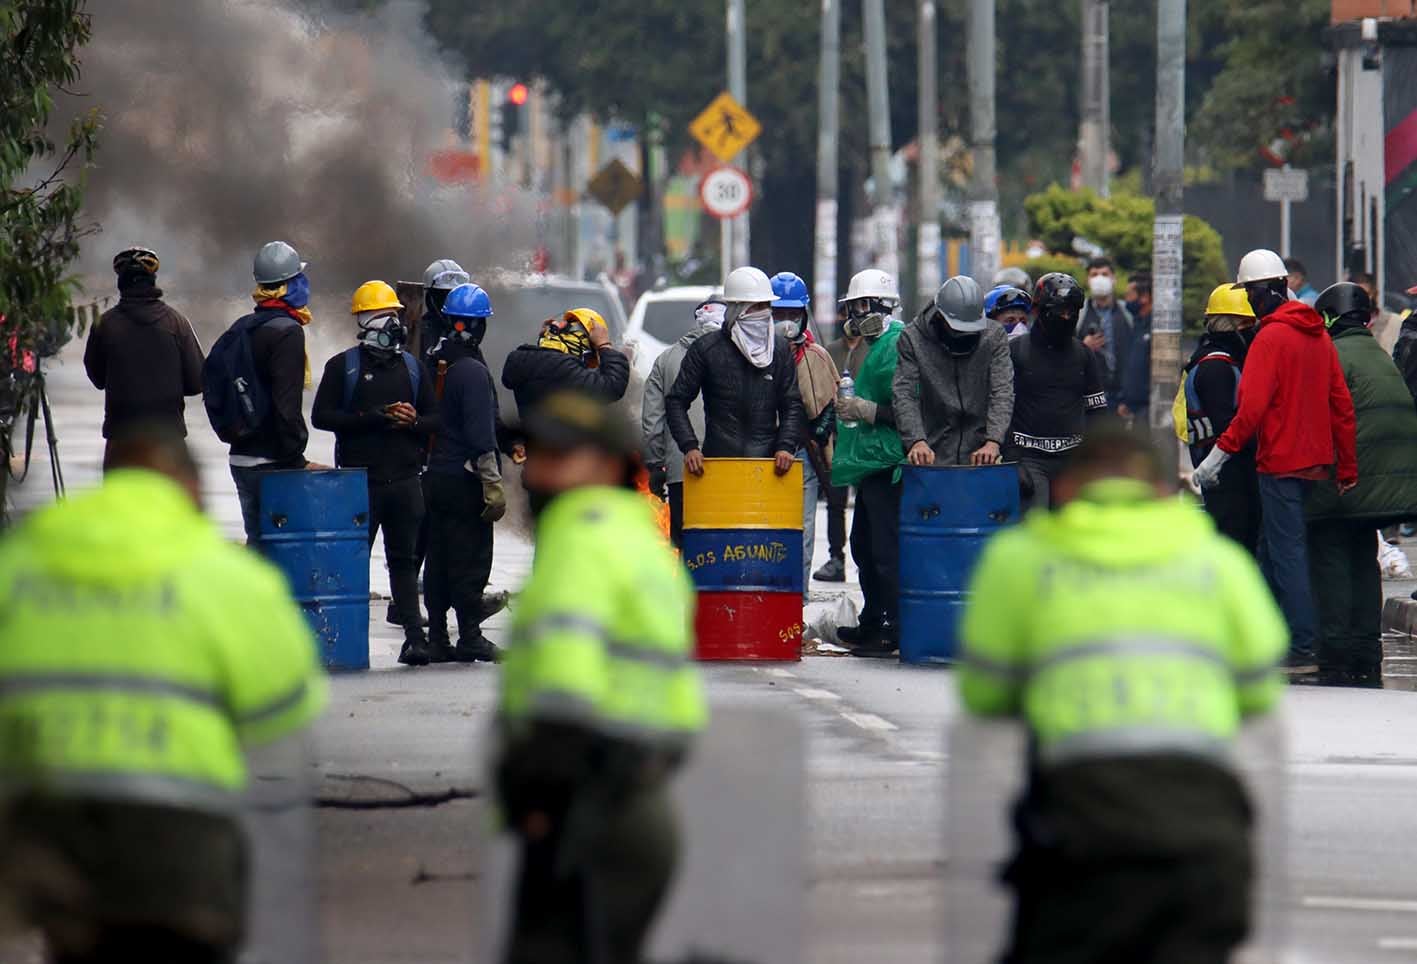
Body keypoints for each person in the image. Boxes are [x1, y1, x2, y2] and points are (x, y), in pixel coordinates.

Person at [958, 425, 1286, 964]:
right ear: (1164, 492)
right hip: (1209, 839)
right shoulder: (1219, 563)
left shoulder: (1021, 559)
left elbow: (984, 692)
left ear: (1064, 492)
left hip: (1080, 835)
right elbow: (1258, 693)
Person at [0, 423, 326, 964]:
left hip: (48, 827)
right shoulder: (227, 576)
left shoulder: (21, 563)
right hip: (179, 830)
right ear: (190, 491)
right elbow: (285, 707)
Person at [495, 390, 706, 964]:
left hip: (587, 799)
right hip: (638, 795)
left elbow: (566, 686)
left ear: (609, 465)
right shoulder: (634, 538)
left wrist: (538, 791)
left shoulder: (581, 540)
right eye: (533, 454)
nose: (538, 471)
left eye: (561, 456)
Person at [1193, 248, 1358, 677]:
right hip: (1315, 462)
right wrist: (1347, 467)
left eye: (1249, 293)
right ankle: (1262, 637)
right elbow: (1340, 403)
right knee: (1271, 552)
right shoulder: (1318, 335)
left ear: (1264, 291)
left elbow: (1249, 411)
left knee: (1286, 554)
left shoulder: (1270, 338)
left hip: (1279, 462)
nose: (1248, 301)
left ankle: (1301, 647)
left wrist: (1216, 456)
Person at [312, 280, 438, 667]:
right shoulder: (343, 367)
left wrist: (413, 421)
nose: (394, 324)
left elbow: (436, 419)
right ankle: (343, 640)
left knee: (403, 563)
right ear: (366, 321)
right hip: (358, 484)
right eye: (386, 316)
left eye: (396, 316)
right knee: (351, 564)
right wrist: (372, 418)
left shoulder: (413, 368)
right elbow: (322, 417)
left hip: (404, 481)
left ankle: (415, 640)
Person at [1306, 282, 1417, 687]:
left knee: (1332, 556)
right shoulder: (1378, 354)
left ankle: (1337, 650)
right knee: (1363, 558)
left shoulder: (1331, 355)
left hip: (1350, 481)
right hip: (1388, 485)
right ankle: (1368, 647)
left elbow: (1320, 421)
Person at [210, 240, 319, 545]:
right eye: (299, 278)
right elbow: (287, 406)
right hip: (273, 464)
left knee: (257, 542)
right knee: (282, 552)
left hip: (241, 458)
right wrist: (297, 458)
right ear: (287, 285)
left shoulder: (242, 328)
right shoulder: (287, 332)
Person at [423, 283, 507, 664]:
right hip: (463, 479)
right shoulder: (471, 370)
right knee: (471, 557)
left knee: (439, 556)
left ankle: (438, 635)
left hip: (433, 476)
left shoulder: (434, 358)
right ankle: (470, 635)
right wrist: (492, 482)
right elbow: (479, 433)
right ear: (476, 326)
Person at [830, 269, 906, 657]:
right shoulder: (868, 346)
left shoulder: (896, 344)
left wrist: (867, 409)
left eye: (862, 306)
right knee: (862, 542)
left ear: (882, 305)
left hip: (891, 461)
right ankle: (873, 617)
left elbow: (908, 408)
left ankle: (894, 622)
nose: (856, 314)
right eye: (853, 307)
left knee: (885, 548)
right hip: (870, 460)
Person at [665, 266, 802, 480]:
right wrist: (689, 446)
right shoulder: (706, 349)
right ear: (737, 309)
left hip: (768, 468)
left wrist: (785, 445)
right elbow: (676, 401)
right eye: (757, 306)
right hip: (718, 465)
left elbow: (792, 403)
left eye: (767, 306)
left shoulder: (780, 349)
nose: (764, 312)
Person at [83, 247, 205, 469]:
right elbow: (197, 381)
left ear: (121, 283)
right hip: (169, 443)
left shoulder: (105, 325)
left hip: (121, 442)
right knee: (168, 504)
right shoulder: (176, 323)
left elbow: (97, 378)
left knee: (119, 503)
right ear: (153, 281)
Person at [1006, 272, 1108, 511]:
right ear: (1039, 311)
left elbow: (1098, 411)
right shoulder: (1016, 352)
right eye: (1060, 311)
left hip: (1073, 462)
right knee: (1037, 531)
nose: (1066, 317)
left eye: (1072, 312)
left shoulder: (1084, 355)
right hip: (1030, 459)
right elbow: (1001, 407)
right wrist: (1012, 459)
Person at [895, 275, 1013, 468]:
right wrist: (916, 441)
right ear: (940, 317)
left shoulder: (994, 335)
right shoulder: (912, 338)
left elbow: (1002, 390)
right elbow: (904, 394)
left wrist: (993, 441)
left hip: (982, 454)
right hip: (932, 453)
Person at [1179, 284, 1261, 555]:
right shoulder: (1217, 367)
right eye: (1248, 324)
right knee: (1236, 548)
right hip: (1228, 477)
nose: (1254, 331)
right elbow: (1228, 426)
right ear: (1232, 325)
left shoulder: (1219, 361)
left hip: (1228, 474)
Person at [771, 271, 839, 591]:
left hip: (803, 456)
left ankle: (798, 600)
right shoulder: (751, 356)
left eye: (792, 314)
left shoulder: (817, 357)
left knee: (802, 530)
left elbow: (829, 406)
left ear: (803, 315)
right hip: (759, 455)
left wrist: (818, 431)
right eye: (778, 314)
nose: (785, 322)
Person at [642, 299, 724, 546]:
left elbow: (652, 421)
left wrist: (656, 464)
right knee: (723, 543)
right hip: (731, 467)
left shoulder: (666, 360)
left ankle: (687, 585)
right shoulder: (742, 355)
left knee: (685, 543)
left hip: (682, 470)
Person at [815, 305, 871, 583]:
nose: (849, 320)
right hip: (836, 438)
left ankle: (869, 559)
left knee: (868, 501)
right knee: (836, 501)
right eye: (843, 313)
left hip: (866, 437)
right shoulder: (830, 351)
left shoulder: (875, 349)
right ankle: (836, 557)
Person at [502, 308, 630, 427]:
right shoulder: (563, 369)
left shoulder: (525, 361)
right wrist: (603, 344)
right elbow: (612, 385)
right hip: (558, 448)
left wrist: (545, 341)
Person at [1078, 256, 1135, 413]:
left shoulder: (1128, 312)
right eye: (1094, 274)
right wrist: (1083, 346)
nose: (1099, 279)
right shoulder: (1079, 313)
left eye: (1104, 274)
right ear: (1088, 280)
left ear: (1113, 279)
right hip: (1088, 398)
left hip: (1122, 398)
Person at [1117, 272, 1153, 424]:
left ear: (1144, 297)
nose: (1126, 300)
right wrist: (1125, 399)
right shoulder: (1137, 325)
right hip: (1134, 407)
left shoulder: (1156, 329)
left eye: (1129, 295)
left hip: (1150, 408)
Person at [418, 258, 471, 359]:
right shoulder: (421, 333)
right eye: (443, 295)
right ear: (431, 296)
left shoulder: (466, 331)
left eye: (455, 295)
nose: (450, 301)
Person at [1352, 271, 1401, 354]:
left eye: (1366, 294)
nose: (1361, 299)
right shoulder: (1344, 326)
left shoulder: (1394, 322)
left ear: (1375, 294)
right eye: (1356, 295)